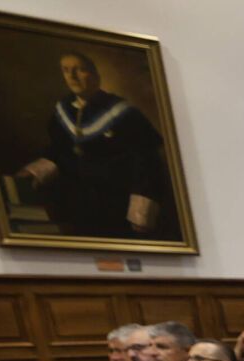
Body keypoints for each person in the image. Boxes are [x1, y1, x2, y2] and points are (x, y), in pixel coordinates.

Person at [16, 51, 174, 240]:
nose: (72, 76)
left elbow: (147, 163)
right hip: (74, 201)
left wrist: (141, 210)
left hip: (115, 202)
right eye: (66, 70)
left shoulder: (123, 113)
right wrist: (36, 171)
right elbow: (59, 150)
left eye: (79, 70)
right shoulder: (64, 110)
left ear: (95, 75)